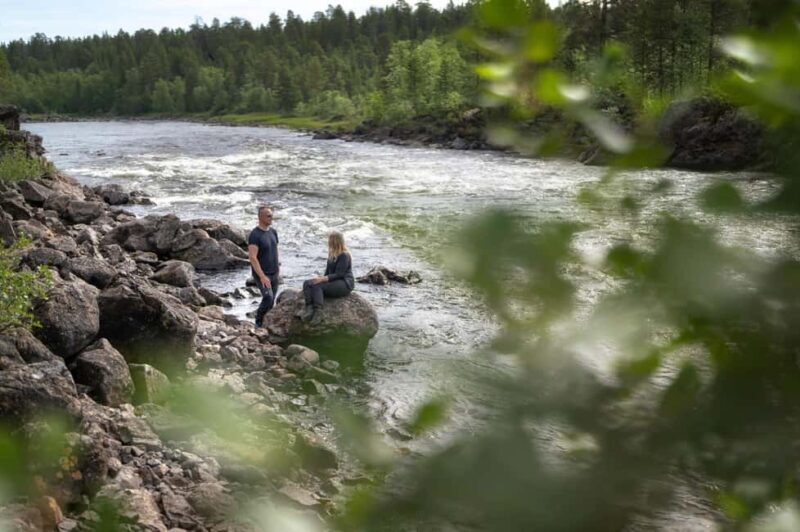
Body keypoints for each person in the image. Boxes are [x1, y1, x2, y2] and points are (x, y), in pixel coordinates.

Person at [300, 231, 354, 323]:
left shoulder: (344, 255)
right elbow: (328, 271)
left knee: (318, 286)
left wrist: (322, 279)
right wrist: (320, 278)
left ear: (335, 241)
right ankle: (309, 308)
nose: (328, 242)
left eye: (330, 240)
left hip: (344, 283)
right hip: (333, 280)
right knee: (308, 283)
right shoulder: (332, 253)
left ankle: (319, 312)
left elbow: (339, 274)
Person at [247, 205, 280, 327]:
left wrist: (278, 266)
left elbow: (275, 249)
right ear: (260, 217)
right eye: (268, 216)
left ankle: (267, 323)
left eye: (272, 215)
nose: (271, 217)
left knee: (271, 302)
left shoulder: (273, 232)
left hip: (274, 272)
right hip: (262, 274)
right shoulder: (255, 235)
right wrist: (262, 276)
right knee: (268, 297)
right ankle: (258, 322)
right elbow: (252, 257)